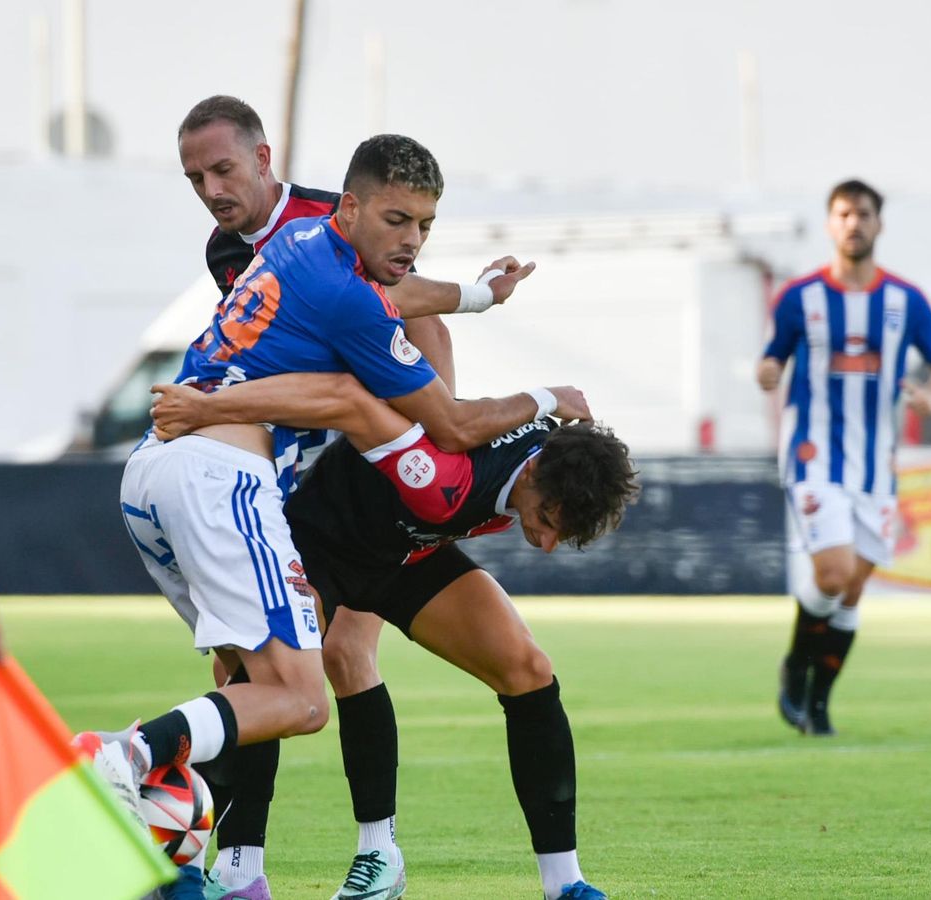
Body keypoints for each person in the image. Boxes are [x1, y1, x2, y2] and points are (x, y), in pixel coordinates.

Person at [93, 133, 588, 899]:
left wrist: (481, 296)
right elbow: (434, 420)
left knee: (260, 688)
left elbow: (402, 304)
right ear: (349, 207)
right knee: (296, 697)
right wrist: (548, 398)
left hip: (159, 477)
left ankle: (191, 872)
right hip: (228, 474)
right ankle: (128, 761)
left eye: (424, 225)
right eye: (398, 221)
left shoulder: (303, 243)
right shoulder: (356, 309)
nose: (413, 240)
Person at [174, 95, 530, 898]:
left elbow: (407, 323)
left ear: (265, 159)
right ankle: (239, 868)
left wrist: (418, 453)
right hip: (282, 483)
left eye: (223, 169)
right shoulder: (229, 250)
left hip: (369, 481)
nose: (211, 188)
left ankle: (375, 853)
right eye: (195, 176)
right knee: (248, 662)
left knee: (337, 655)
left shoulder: (327, 220)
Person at [151, 370, 635, 900]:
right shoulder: (444, 477)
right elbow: (349, 404)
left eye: (559, 534)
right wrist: (208, 410)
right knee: (259, 684)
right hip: (319, 542)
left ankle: (565, 885)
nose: (545, 542)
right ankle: (223, 872)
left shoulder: (558, 459)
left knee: (528, 670)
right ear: (532, 474)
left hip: (405, 553)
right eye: (547, 519)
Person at [757, 179, 931, 736]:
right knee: (834, 570)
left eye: (863, 214)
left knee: (852, 589)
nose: (854, 223)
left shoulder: (905, 301)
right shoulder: (800, 298)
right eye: (843, 214)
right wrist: (767, 373)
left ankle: (819, 703)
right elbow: (770, 361)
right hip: (813, 455)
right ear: (830, 224)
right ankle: (797, 667)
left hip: (875, 465)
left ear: (878, 224)